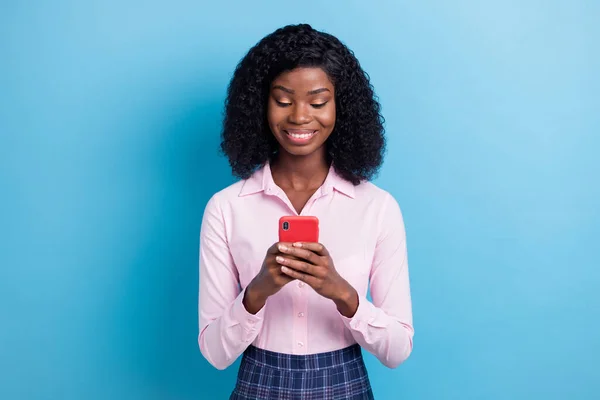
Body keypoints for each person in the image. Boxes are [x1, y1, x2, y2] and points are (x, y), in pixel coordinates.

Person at [198, 23, 414, 400]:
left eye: (317, 102)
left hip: (344, 384)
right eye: (283, 100)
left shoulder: (377, 207)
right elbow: (215, 355)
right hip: (258, 385)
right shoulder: (226, 208)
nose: (299, 117)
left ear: (340, 106)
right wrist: (257, 293)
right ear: (260, 105)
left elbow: (397, 350)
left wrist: (342, 293)